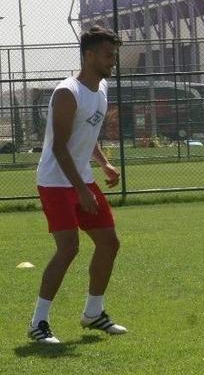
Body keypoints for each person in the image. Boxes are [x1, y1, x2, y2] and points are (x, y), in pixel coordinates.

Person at [29, 26, 127, 344]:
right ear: (89, 55)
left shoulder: (101, 89)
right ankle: (38, 323)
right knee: (68, 247)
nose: (113, 61)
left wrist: (103, 163)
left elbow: (89, 132)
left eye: (114, 55)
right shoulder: (67, 93)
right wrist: (81, 190)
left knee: (109, 243)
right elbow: (59, 146)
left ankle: (93, 313)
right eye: (108, 55)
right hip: (56, 181)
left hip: (81, 177)